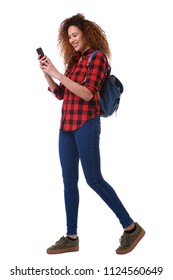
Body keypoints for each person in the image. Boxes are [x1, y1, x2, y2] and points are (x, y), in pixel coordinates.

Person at [38, 13, 145, 255]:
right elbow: (61, 94)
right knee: (68, 183)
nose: (72, 40)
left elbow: (87, 94)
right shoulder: (75, 61)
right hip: (66, 126)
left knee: (94, 179)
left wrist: (58, 73)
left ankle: (131, 228)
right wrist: (47, 72)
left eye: (75, 35)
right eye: (69, 37)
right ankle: (71, 236)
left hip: (87, 123)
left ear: (87, 33)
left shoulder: (97, 58)